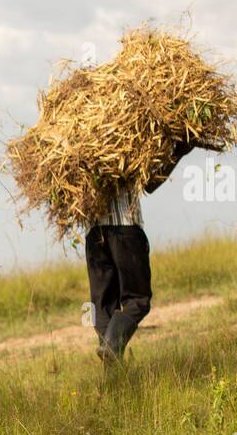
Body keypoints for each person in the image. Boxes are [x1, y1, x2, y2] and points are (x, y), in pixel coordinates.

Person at [85, 140, 220, 364]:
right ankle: (111, 346)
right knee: (137, 299)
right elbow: (148, 184)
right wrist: (178, 152)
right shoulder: (126, 136)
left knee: (101, 305)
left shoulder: (81, 144)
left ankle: (112, 371)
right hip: (125, 228)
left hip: (93, 235)